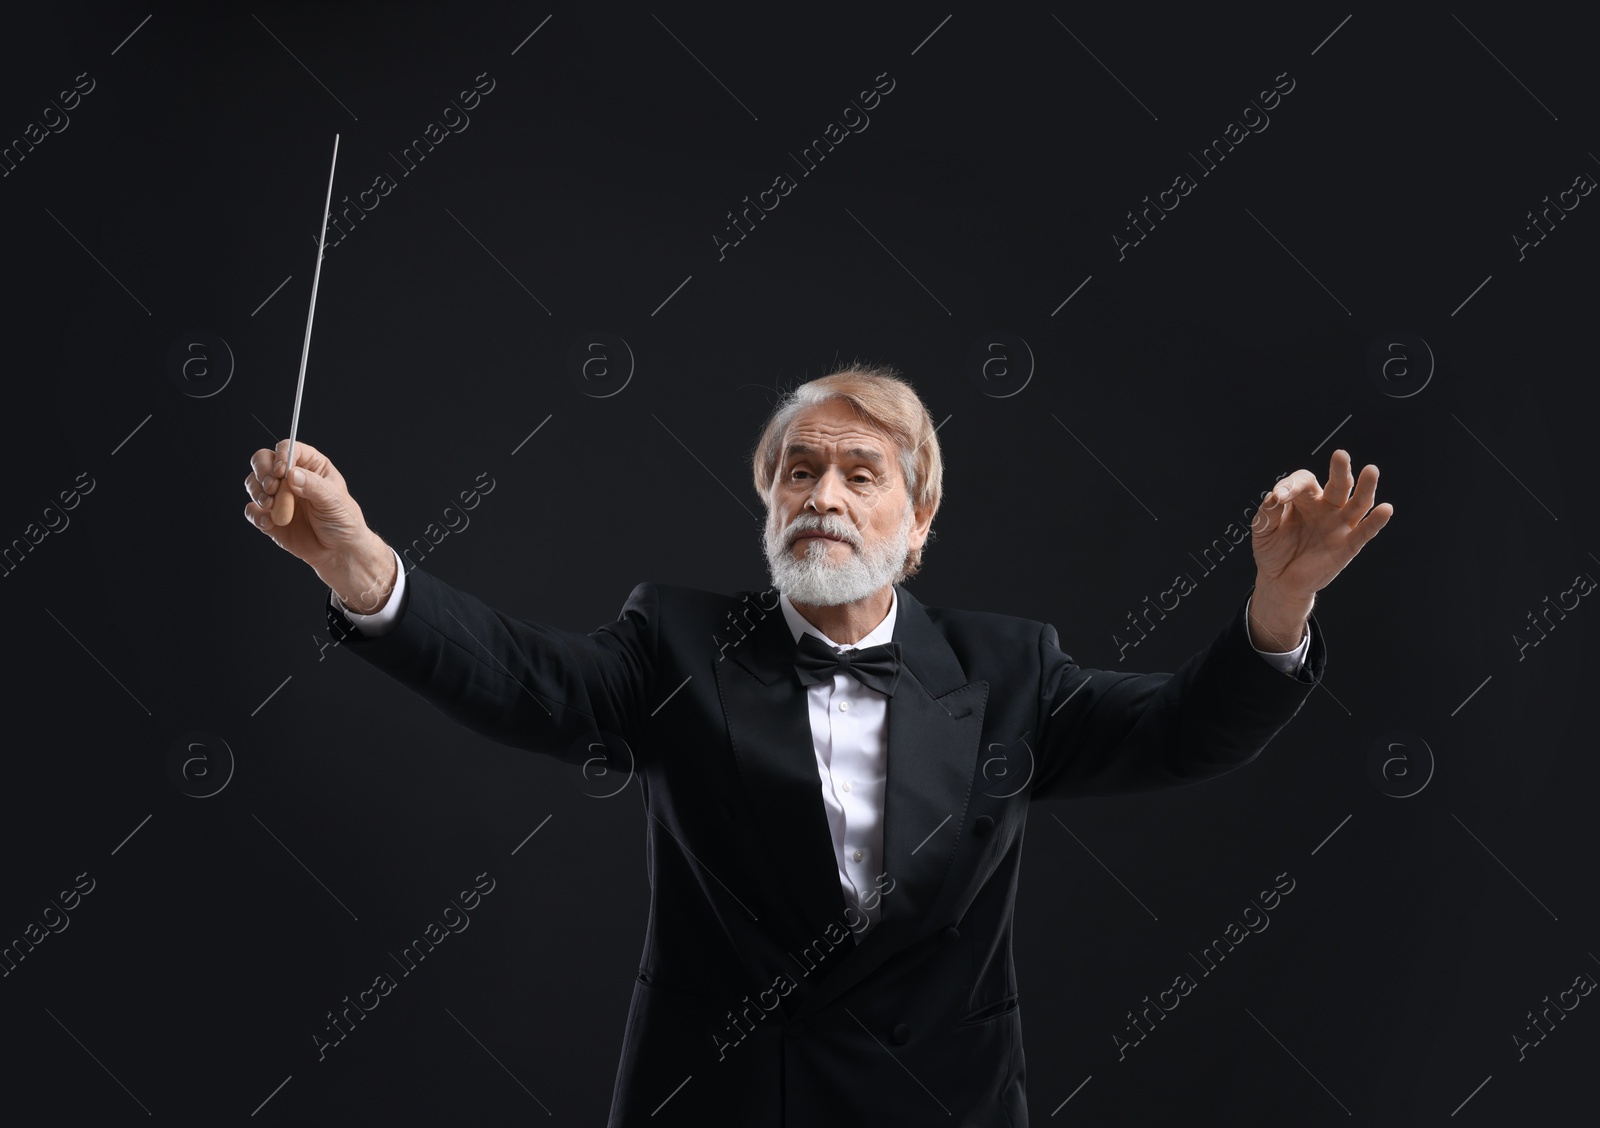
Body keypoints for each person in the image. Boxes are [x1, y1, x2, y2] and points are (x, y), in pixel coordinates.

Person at [242, 364, 1391, 1126]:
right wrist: (357, 565)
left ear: (919, 521)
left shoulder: (1010, 670)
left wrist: (1278, 604)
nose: (822, 494)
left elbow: (1186, 732)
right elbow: (520, 676)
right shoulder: (675, 643)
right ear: (766, 505)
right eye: (798, 470)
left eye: (859, 472)